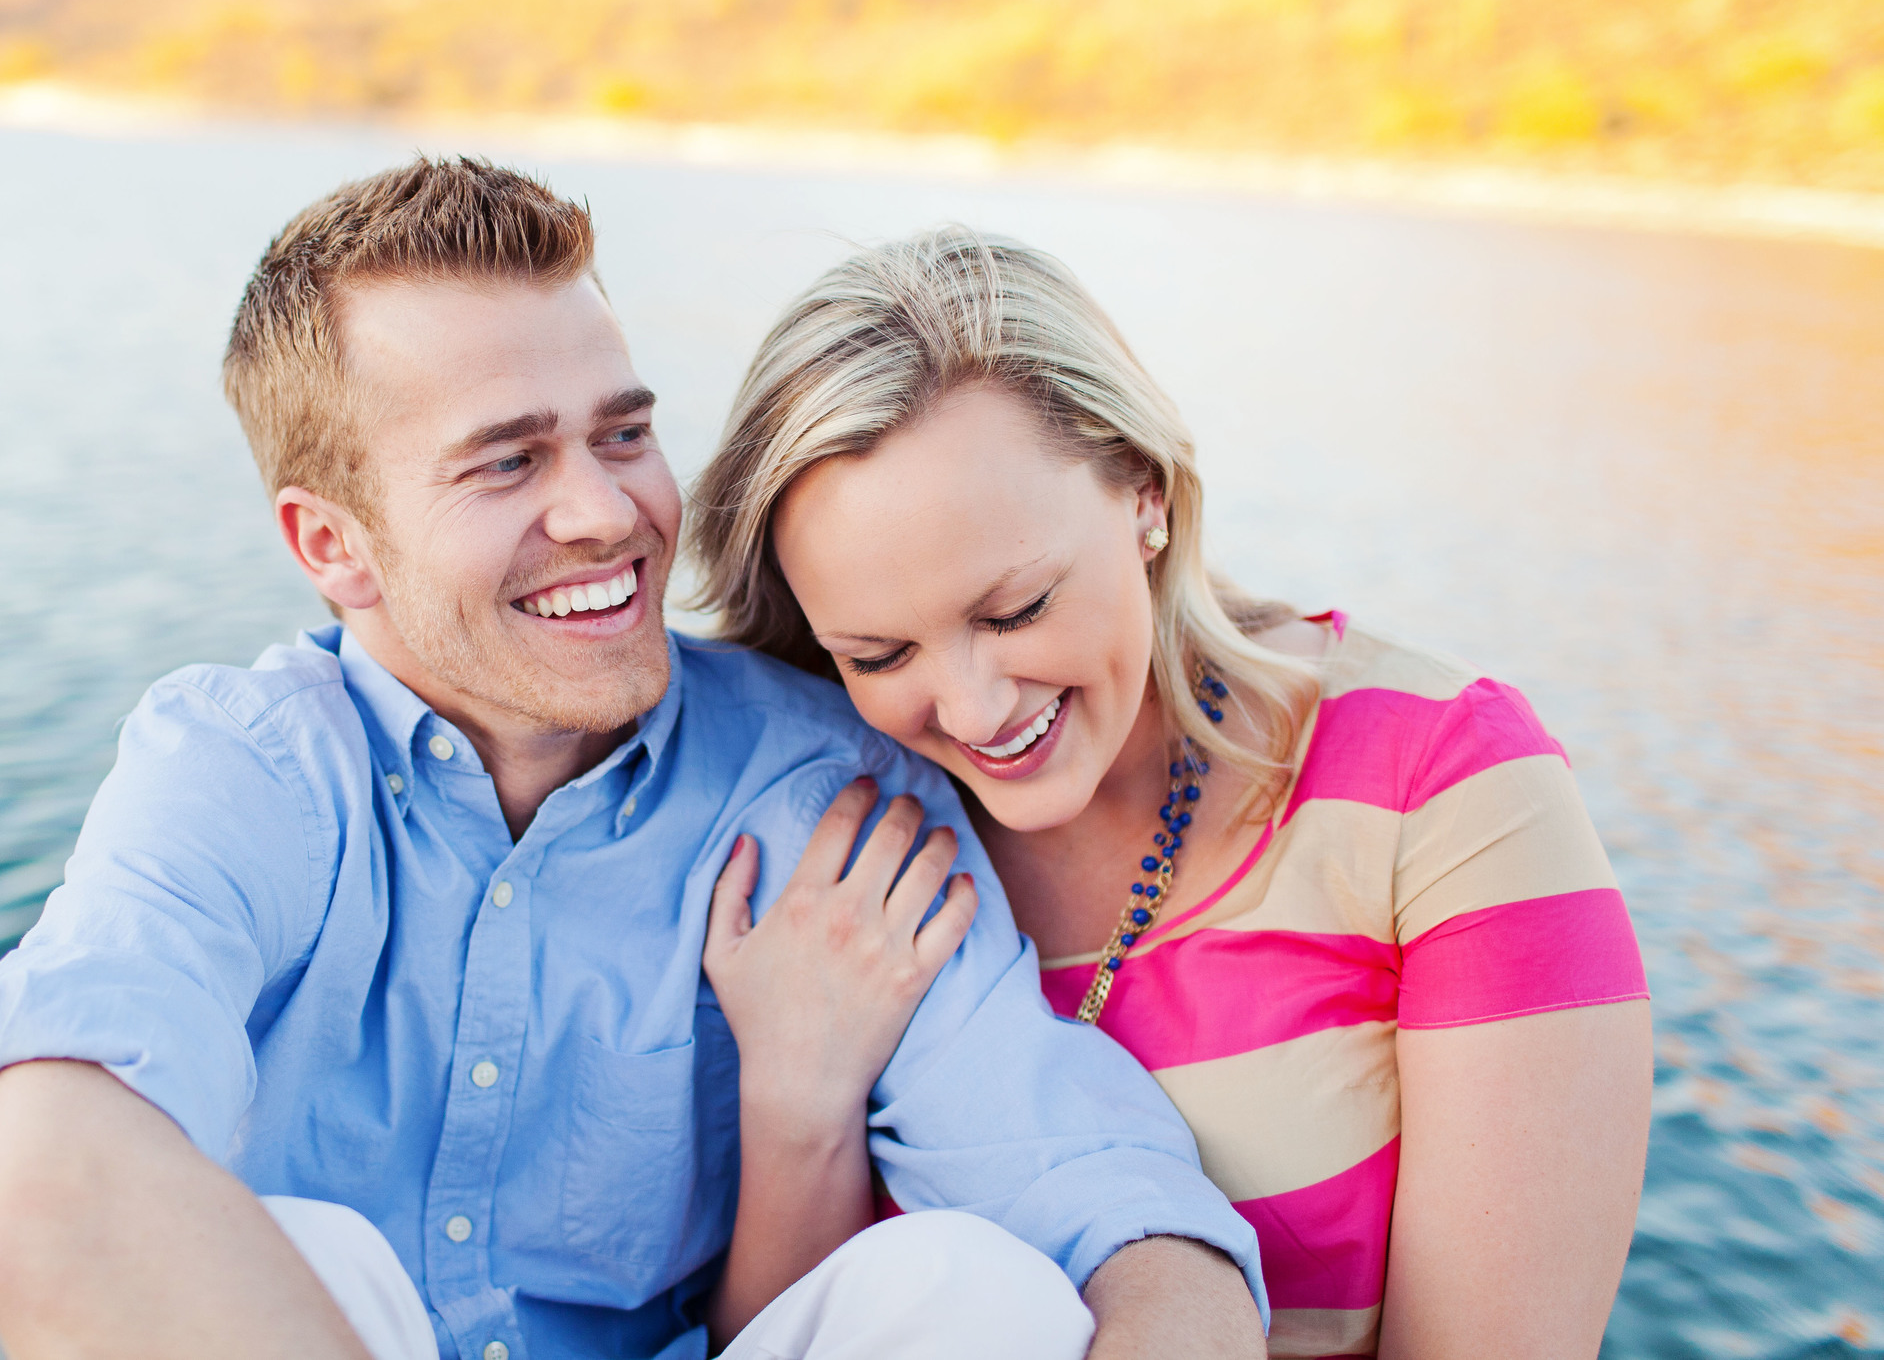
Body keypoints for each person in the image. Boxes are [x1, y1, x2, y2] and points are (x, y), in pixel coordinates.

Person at [0, 162, 1270, 1360]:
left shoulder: (822, 787)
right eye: (508, 460)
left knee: (975, 1286)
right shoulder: (245, 772)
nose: (608, 512)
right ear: (332, 544)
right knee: (298, 1242)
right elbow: (56, 1192)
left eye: (623, 434)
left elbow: (1126, 1212)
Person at [685, 228, 1656, 1360]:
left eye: (1013, 610)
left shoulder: (1447, 791)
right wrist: (799, 1096)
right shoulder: (818, 833)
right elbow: (787, 1336)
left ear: (1142, 489)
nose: (971, 706)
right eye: (879, 653)